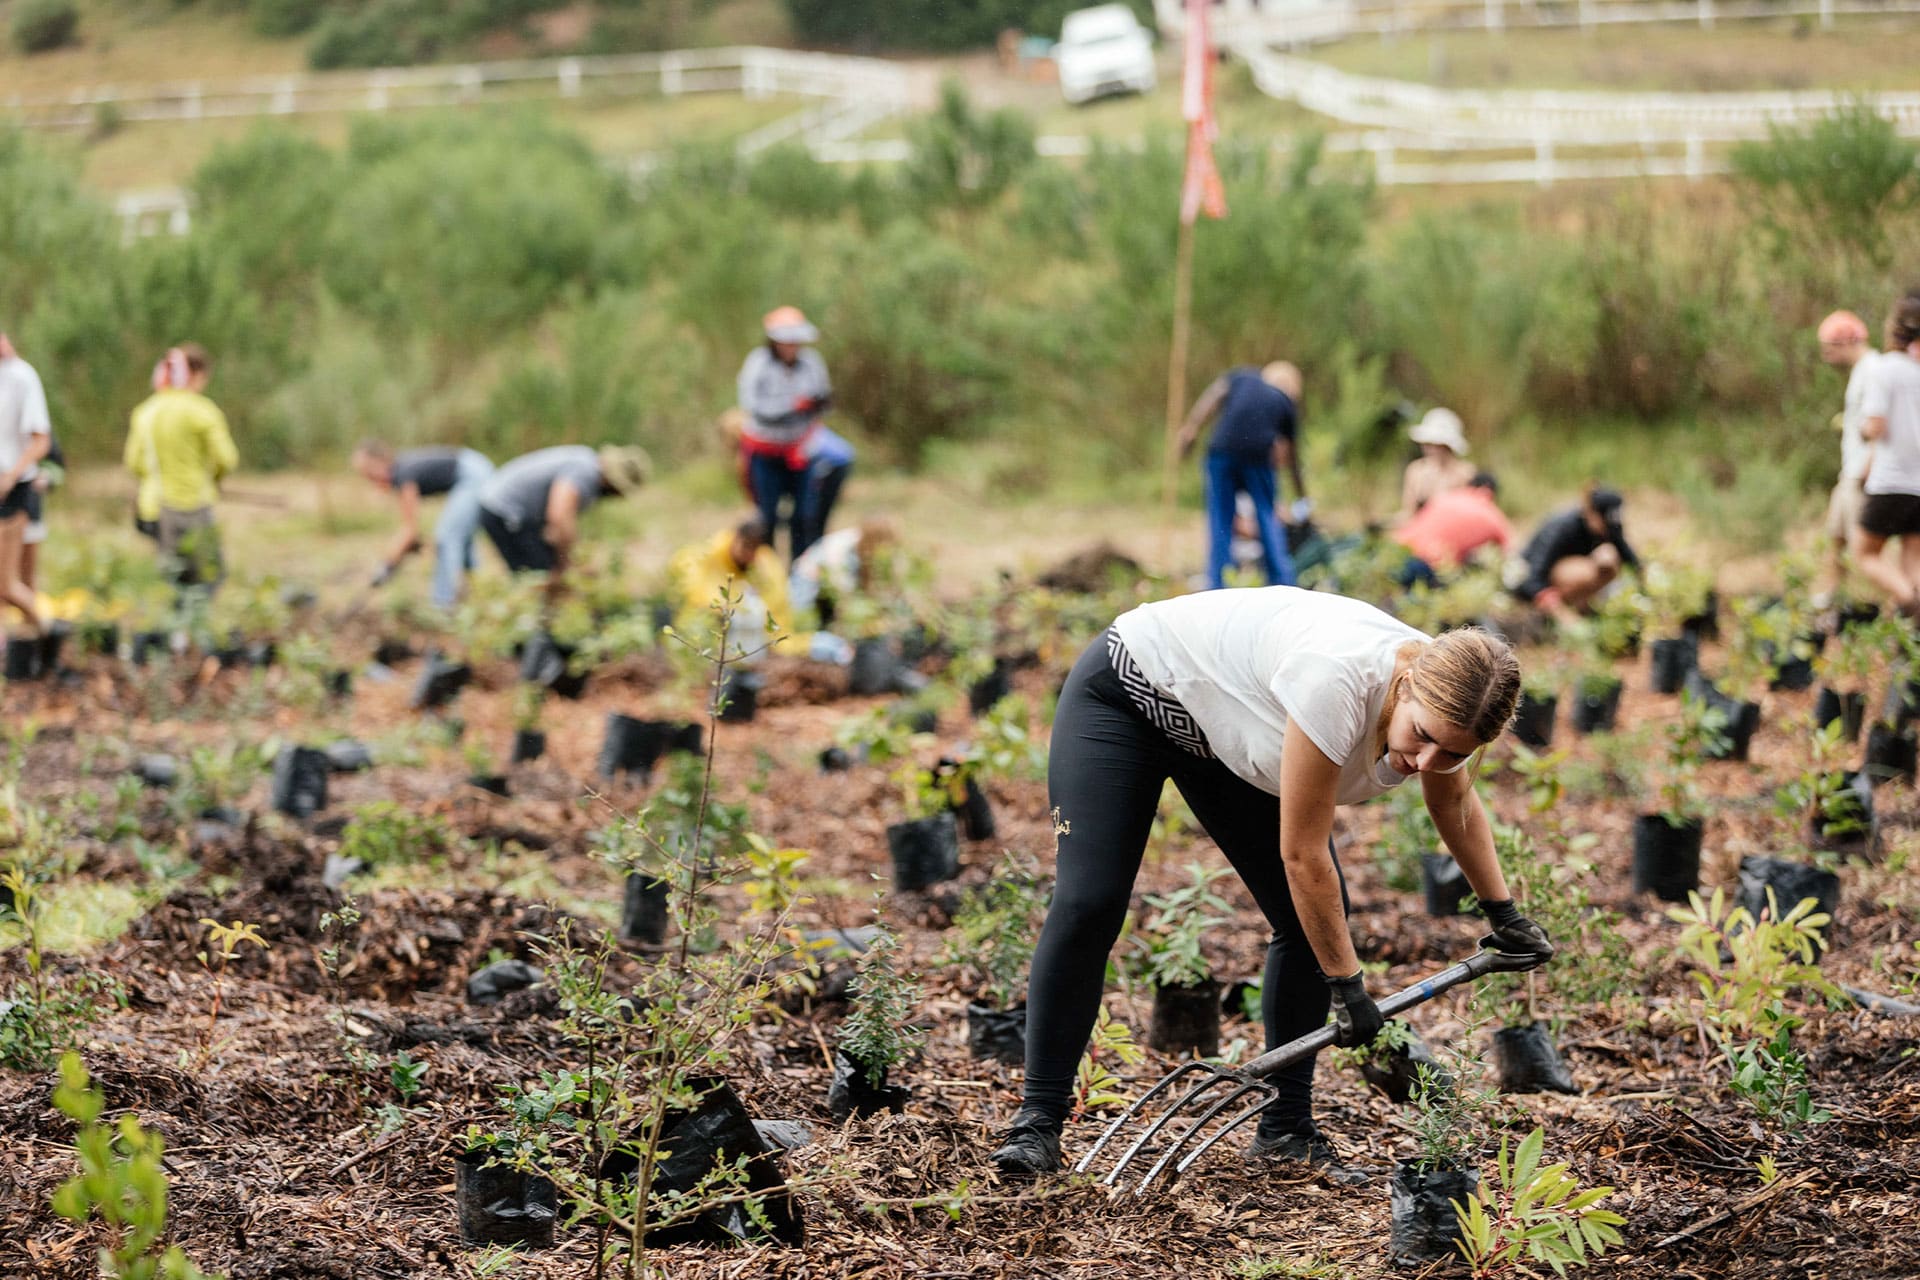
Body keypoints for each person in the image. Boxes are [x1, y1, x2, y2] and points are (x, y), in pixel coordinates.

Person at [988, 588, 1552, 1181]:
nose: (1427, 761)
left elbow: (1456, 804)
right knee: (1091, 902)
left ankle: (1286, 1129)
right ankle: (1037, 1127)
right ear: (1407, 683)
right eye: (1422, 736)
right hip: (1131, 693)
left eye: (1453, 752)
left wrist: (1503, 912)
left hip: (1224, 732)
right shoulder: (1338, 680)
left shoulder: (1455, 703)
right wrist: (1347, 985)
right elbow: (1304, 856)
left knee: (1311, 922)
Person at [1176, 361, 1306, 591]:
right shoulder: (1285, 402)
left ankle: (1218, 584)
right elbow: (1292, 457)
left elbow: (1213, 397)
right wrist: (1302, 496)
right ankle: (1283, 584)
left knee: (1220, 519)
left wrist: (1191, 429)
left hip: (1220, 452)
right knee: (1266, 516)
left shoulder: (1244, 378)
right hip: (1257, 457)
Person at [123, 344, 238, 593]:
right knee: (209, 576)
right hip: (193, 506)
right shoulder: (201, 410)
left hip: (154, 508)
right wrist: (214, 478)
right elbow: (227, 459)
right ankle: (192, 627)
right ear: (195, 375)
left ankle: (177, 628)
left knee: (175, 576)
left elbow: (133, 462)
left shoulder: (146, 412)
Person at [668, 515, 850, 663]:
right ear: (736, 539)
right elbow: (697, 591)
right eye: (745, 547)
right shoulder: (710, 556)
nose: (748, 555)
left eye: (753, 550)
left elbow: (777, 609)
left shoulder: (766, 565)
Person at [476, 444, 651, 590]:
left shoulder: (585, 461)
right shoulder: (586, 472)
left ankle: (534, 621)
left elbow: (554, 527)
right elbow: (559, 516)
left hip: (510, 509)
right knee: (537, 575)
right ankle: (529, 623)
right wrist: (566, 561)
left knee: (542, 569)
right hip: (504, 510)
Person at [352, 441, 497, 609]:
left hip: (472, 474)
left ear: (380, 462)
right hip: (476, 466)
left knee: (447, 537)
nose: (372, 481)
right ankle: (478, 592)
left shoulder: (403, 474)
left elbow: (409, 530)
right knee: (460, 535)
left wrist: (387, 566)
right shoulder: (403, 469)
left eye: (370, 474)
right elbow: (412, 532)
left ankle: (442, 605)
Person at [737, 306, 832, 561]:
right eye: (786, 341)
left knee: (803, 515)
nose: (792, 346)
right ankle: (767, 575)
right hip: (765, 452)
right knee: (767, 517)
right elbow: (752, 407)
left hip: (801, 450)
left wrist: (816, 404)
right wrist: (792, 406)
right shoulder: (758, 363)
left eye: (795, 340)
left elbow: (824, 400)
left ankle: (800, 573)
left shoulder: (812, 363)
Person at [1854, 290, 1920, 614]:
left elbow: (1875, 427)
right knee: (1913, 559)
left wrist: (1861, 429)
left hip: (1892, 479)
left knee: (1865, 553)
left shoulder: (1885, 369)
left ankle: (1912, 605)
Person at [1819, 310, 1884, 592]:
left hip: (1861, 474)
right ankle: (1829, 603)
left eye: (1829, 348)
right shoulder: (1862, 371)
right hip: (1851, 471)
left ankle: (1902, 607)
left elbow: (1880, 425)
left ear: (1847, 342)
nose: (1826, 355)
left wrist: (1869, 468)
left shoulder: (1873, 370)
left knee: (1864, 552)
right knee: (1835, 539)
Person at [1509, 485, 1639, 621]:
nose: (1607, 531)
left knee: (1609, 557)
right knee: (1605, 557)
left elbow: (1628, 556)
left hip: (1565, 582)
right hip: (1538, 581)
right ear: (1592, 514)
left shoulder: (1607, 529)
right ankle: (1573, 605)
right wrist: (1558, 610)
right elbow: (1532, 576)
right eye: (1604, 524)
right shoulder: (1561, 528)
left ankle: (1585, 607)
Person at [0, 330, 51, 643]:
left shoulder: (21, 377)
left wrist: (10, 476)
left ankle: (48, 633)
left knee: (6, 584)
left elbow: (41, 440)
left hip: (12, 489)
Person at [1394, 471, 1514, 589]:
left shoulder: (1445, 496)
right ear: (1491, 492)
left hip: (1397, 552)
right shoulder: (1492, 515)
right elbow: (1510, 553)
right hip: (1427, 566)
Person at [789, 517, 897, 620]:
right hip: (806, 581)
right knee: (800, 614)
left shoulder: (868, 548)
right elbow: (840, 585)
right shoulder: (841, 546)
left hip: (829, 585)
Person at [1398, 407, 1477, 523]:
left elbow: (1474, 514)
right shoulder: (1416, 471)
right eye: (1428, 443)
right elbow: (1408, 513)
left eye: (1436, 444)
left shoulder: (1466, 473)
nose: (1430, 449)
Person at [803, 425, 856, 549]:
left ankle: (816, 547)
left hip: (836, 464)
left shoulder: (801, 435)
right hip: (837, 461)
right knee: (814, 516)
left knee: (815, 516)